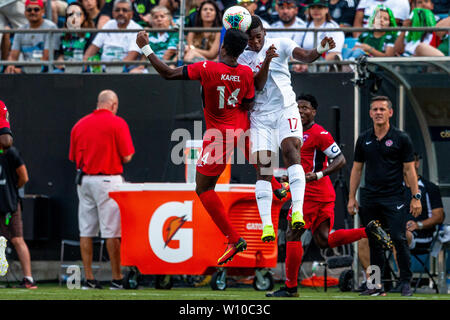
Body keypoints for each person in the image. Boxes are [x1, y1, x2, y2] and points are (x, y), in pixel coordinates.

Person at [136, 28, 256, 265]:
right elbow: (249, 102)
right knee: (259, 162)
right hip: (240, 130)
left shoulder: (207, 68)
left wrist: (145, 48)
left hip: (217, 136)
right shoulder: (246, 73)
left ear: (222, 48)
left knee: (203, 189)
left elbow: (168, 74)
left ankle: (234, 238)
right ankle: (277, 186)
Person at [266, 93, 392, 297]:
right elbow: (300, 166)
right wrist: (288, 179)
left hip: (312, 193)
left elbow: (340, 159)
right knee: (323, 240)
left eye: (305, 107)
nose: (300, 111)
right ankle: (367, 231)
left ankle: (290, 288)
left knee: (292, 233)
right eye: (298, 107)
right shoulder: (290, 131)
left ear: (314, 112)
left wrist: (317, 175)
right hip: (316, 192)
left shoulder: (319, 133)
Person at [237, 15, 335, 242]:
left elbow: (307, 56)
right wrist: (267, 62)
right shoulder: (243, 58)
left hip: (285, 109)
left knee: (292, 151)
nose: (255, 43)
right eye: (250, 40)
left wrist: (321, 47)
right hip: (260, 115)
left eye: (258, 37)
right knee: (264, 168)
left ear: (265, 32)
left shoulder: (280, 43)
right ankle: (267, 226)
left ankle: (298, 210)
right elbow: (257, 85)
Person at [347, 95, 422, 297]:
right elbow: (356, 169)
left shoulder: (401, 138)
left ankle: (405, 282)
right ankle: (376, 285)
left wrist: (416, 197)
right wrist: (351, 197)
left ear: (390, 112)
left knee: (398, 238)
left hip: (394, 198)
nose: (378, 112)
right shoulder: (364, 139)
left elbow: (409, 170)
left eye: (382, 109)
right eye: (375, 109)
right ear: (370, 113)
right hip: (371, 198)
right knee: (374, 242)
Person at [69, 89, 135, 289]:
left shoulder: (79, 124)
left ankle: (88, 278)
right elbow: (127, 156)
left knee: (86, 230)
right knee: (111, 231)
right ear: (113, 105)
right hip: (108, 180)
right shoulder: (118, 123)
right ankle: (116, 278)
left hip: (85, 180)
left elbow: (73, 157)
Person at [83, 0, 143, 73]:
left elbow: (132, 56)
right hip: (103, 70)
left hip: (125, 71)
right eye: (117, 10)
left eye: (124, 10)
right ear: (113, 13)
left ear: (131, 14)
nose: (120, 13)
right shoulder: (109, 24)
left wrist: (115, 70)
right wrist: (84, 64)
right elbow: (93, 48)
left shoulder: (137, 29)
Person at [5, 0, 58, 74]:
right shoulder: (21, 30)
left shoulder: (51, 28)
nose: (32, 12)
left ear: (43, 11)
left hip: (46, 71)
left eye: (36, 9)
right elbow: (13, 56)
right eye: (29, 10)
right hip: (27, 69)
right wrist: (10, 65)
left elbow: (46, 59)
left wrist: (22, 71)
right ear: (25, 12)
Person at [55, 2, 95, 73]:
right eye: (70, 14)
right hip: (65, 68)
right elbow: (59, 53)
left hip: (84, 70)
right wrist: (60, 59)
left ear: (84, 17)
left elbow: (92, 57)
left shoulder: (92, 34)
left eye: (78, 14)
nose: (74, 17)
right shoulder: (63, 33)